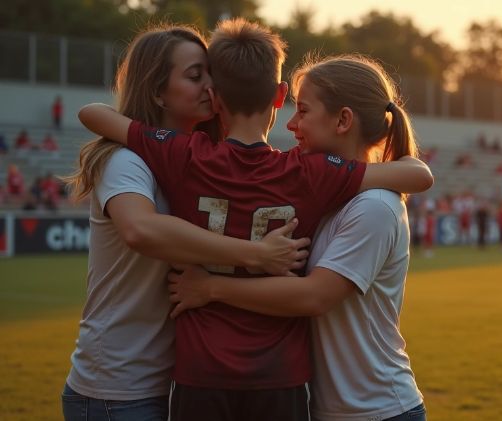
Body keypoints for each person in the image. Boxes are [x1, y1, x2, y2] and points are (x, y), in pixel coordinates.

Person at [79, 20, 432, 421]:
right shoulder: (307, 172)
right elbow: (418, 176)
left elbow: (93, 114)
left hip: (201, 370)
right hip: (281, 373)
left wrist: (211, 286)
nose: (296, 122)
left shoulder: (184, 154)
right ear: (280, 96)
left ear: (215, 98)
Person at [61, 24, 311, 421]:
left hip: (173, 379)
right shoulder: (126, 160)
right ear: (158, 91)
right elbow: (141, 230)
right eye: (196, 76)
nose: (210, 86)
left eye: (212, 74)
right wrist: (256, 255)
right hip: (120, 387)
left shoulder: (202, 160)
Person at [168, 53, 429, 421]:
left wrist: (210, 288)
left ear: (343, 120)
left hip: (376, 410)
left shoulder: (375, 207)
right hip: (338, 409)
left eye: (303, 111)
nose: (291, 124)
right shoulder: (324, 192)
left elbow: (315, 295)